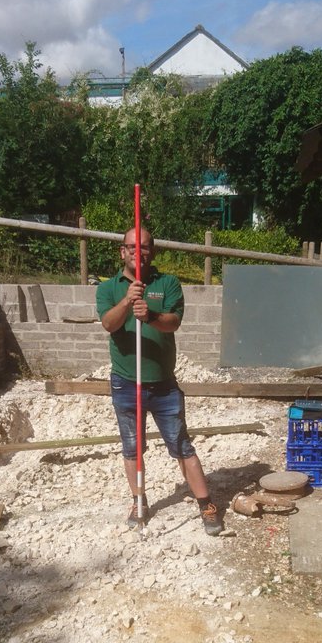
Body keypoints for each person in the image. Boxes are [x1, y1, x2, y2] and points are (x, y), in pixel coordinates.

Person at [96, 226, 222, 535]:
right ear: (122, 251)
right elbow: (108, 324)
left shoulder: (168, 284)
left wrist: (149, 316)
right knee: (132, 448)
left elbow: (174, 322)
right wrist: (127, 302)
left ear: (153, 251)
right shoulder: (108, 288)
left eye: (145, 247)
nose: (138, 252)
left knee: (182, 446)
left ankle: (205, 503)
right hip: (127, 384)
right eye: (131, 247)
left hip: (164, 385)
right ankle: (139, 500)